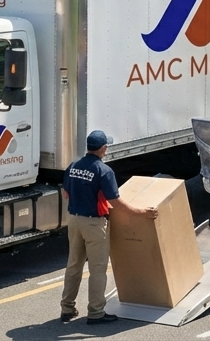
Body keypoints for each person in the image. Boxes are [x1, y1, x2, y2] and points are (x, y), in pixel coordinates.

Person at [60, 130, 157, 325]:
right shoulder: (103, 171)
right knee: (97, 269)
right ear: (103, 148)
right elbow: (116, 201)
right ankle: (96, 313)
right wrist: (142, 212)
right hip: (94, 224)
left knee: (73, 266)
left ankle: (67, 309)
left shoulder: (73, 166)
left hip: (74, 221)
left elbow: (65, 193)